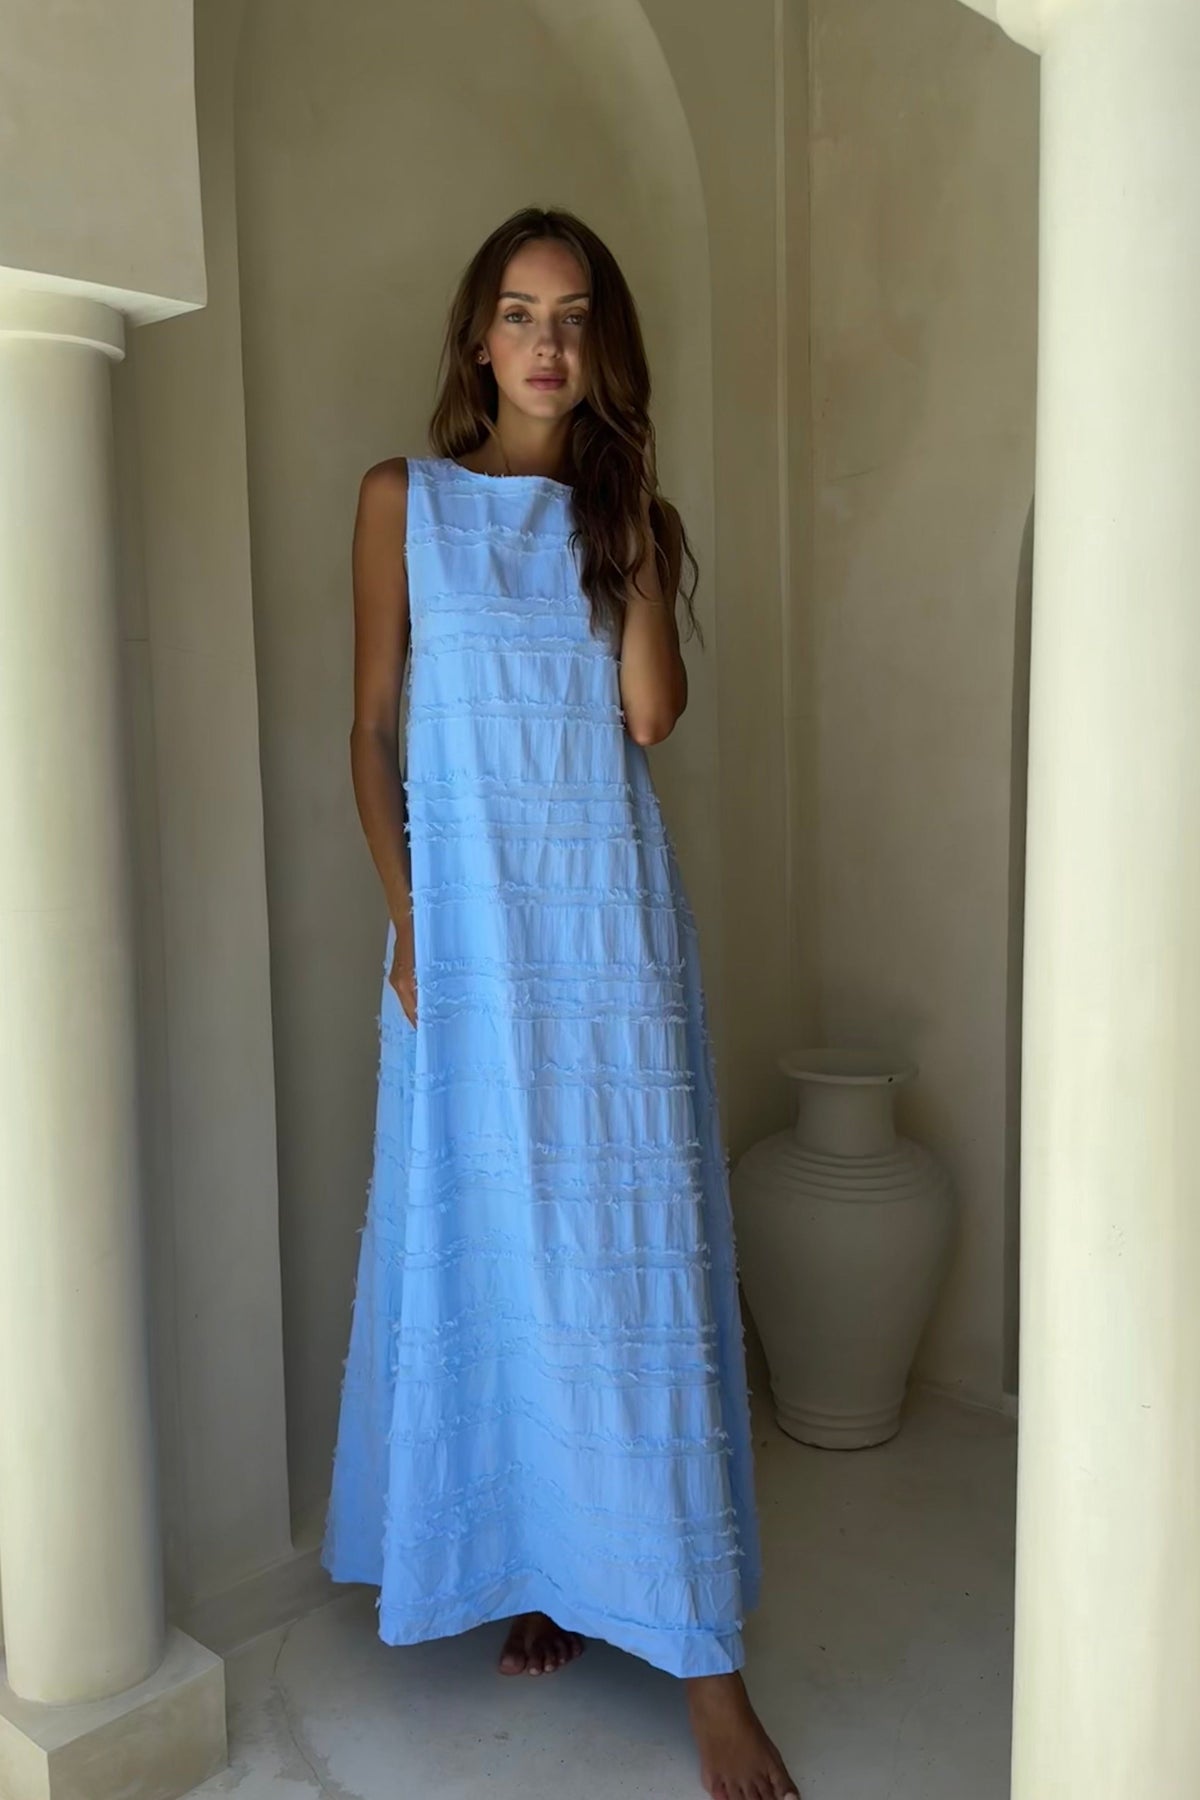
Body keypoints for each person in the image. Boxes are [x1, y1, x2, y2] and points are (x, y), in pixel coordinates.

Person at [321, 205, 800, 1800]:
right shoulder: (403, 502)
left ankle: (706, 1665)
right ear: (479, 338)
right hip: (466, 941)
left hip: (607, 939)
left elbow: (649, 717)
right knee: (500, 1247)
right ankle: (544, 1569)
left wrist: (636, 513)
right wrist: (410, 924)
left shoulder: (627, 520)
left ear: (605, 348)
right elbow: (369, 731)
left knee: (630, 1261)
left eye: (576, 316)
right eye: (522, 313)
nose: (548, 342)